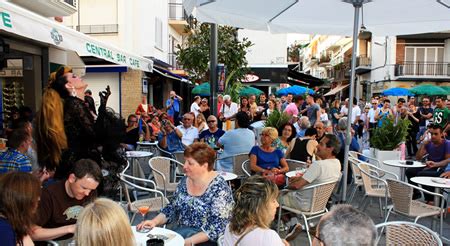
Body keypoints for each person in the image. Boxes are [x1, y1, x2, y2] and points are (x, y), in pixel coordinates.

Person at [35, 66, 124, 180]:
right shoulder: (74, 104)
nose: (78, 76)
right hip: (79, 166)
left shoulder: (75, 104)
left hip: (78, 164)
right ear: (69, 85)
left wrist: (102, 107)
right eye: (74, 76)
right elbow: (96, 135)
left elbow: (93, 133)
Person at [137, 143, 234, 245]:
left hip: (204, 241)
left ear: (204, 165)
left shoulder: (219, 188)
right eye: (185, 161)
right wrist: (154, 222)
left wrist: (186, 242)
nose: (184, 166)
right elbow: (171, 208)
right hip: (181, 234)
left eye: (190, 163)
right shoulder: (184, 181)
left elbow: (216, 228)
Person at [281, 134, 341, 241]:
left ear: (330, 149)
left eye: (321, 144)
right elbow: (312, 180)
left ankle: (292, 224)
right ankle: (299, 224)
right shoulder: (337, 163)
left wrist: (285, 187)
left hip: (303, 203)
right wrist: (298, 180)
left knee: (274, 199)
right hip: (320, 204)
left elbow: (296, 186)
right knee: (286, 193)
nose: (317, 146)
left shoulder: (318, 165)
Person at [31, 159, 102, 242]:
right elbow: (33, 233)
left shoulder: (90, 191)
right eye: (84, 188)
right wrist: (69, 229)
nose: (87, 193)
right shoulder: (48, 195)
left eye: (91, 189)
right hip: (54, 241)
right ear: (72, 178)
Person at [223, 176, 288, 246]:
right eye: (273, 201)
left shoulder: (230, 227)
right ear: (260, 206)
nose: (277, 204)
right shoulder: (268, 236)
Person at [406, 124, 450, 202]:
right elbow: (418, 158)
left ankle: (430, 199)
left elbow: (447, 161)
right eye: (431, 134)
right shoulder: (429, 143)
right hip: (429, 165)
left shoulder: (447, 143)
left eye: (436, 134)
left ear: (441, 134)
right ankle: (416, 192)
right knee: (409, 171)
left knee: (422, 174)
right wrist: (423, 145)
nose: (433, 136)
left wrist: (435, 164)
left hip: (440, 168)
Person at [0, 172, 41, 246]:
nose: (38, 198)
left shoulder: (10, 221)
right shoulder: (4, 231)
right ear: (22, 200)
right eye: (35, 195)